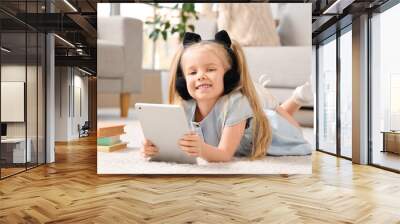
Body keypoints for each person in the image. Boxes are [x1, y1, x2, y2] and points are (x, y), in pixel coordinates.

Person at [141, 30, 312, 162]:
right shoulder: (185, 106)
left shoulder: (236, 103)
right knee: (266, 111)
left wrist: (202, 150)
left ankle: (295, 99)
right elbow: (176, 144)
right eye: (192, 72)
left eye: (210, 69)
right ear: (182, 80)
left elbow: (224, 154)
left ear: (229, 75)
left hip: (272, 129)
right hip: (253, 115)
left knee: (291, 126)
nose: (200, 76)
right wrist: (154, 148)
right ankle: (270, 99)